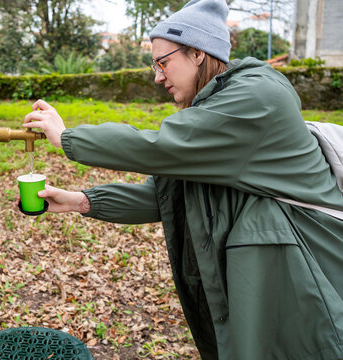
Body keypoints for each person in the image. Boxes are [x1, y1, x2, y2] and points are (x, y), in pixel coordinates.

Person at [23, 0, 343, 358]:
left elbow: (163, 145)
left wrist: (67, 137)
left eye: (163, 62)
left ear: (197, 53)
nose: (158, 76)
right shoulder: (212, 110)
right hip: (273, 280)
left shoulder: (257, 97)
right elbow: (166, 195)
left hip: (310, 276)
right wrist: (82, 201)